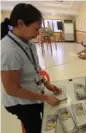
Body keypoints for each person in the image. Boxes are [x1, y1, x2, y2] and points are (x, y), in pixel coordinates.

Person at [1, 3, 61, 133]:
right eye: (36, 29)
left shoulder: (28, 42)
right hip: (21, 103)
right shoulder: (9, 50)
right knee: (35, 127)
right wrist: (45, 98)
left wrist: (47, 84)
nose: (38, 33)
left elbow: (36, 69)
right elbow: (12, 90)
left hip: (34, 94)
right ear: (21, 24)